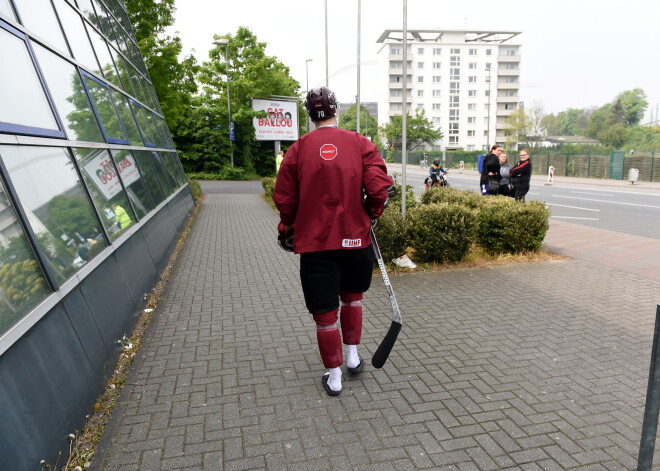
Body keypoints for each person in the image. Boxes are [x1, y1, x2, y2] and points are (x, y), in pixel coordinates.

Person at [273, 86, 391, 397]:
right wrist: (371, 212)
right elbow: (379, 188)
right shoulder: (360, 143)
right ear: (336, 111)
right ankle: (353, 358)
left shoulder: (297, 150)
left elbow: (285, 199)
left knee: (325, 313)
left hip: (315, 245)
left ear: (310, 115)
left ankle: (334, 376)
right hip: (356, 239)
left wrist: (288, 225)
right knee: (352, 299)